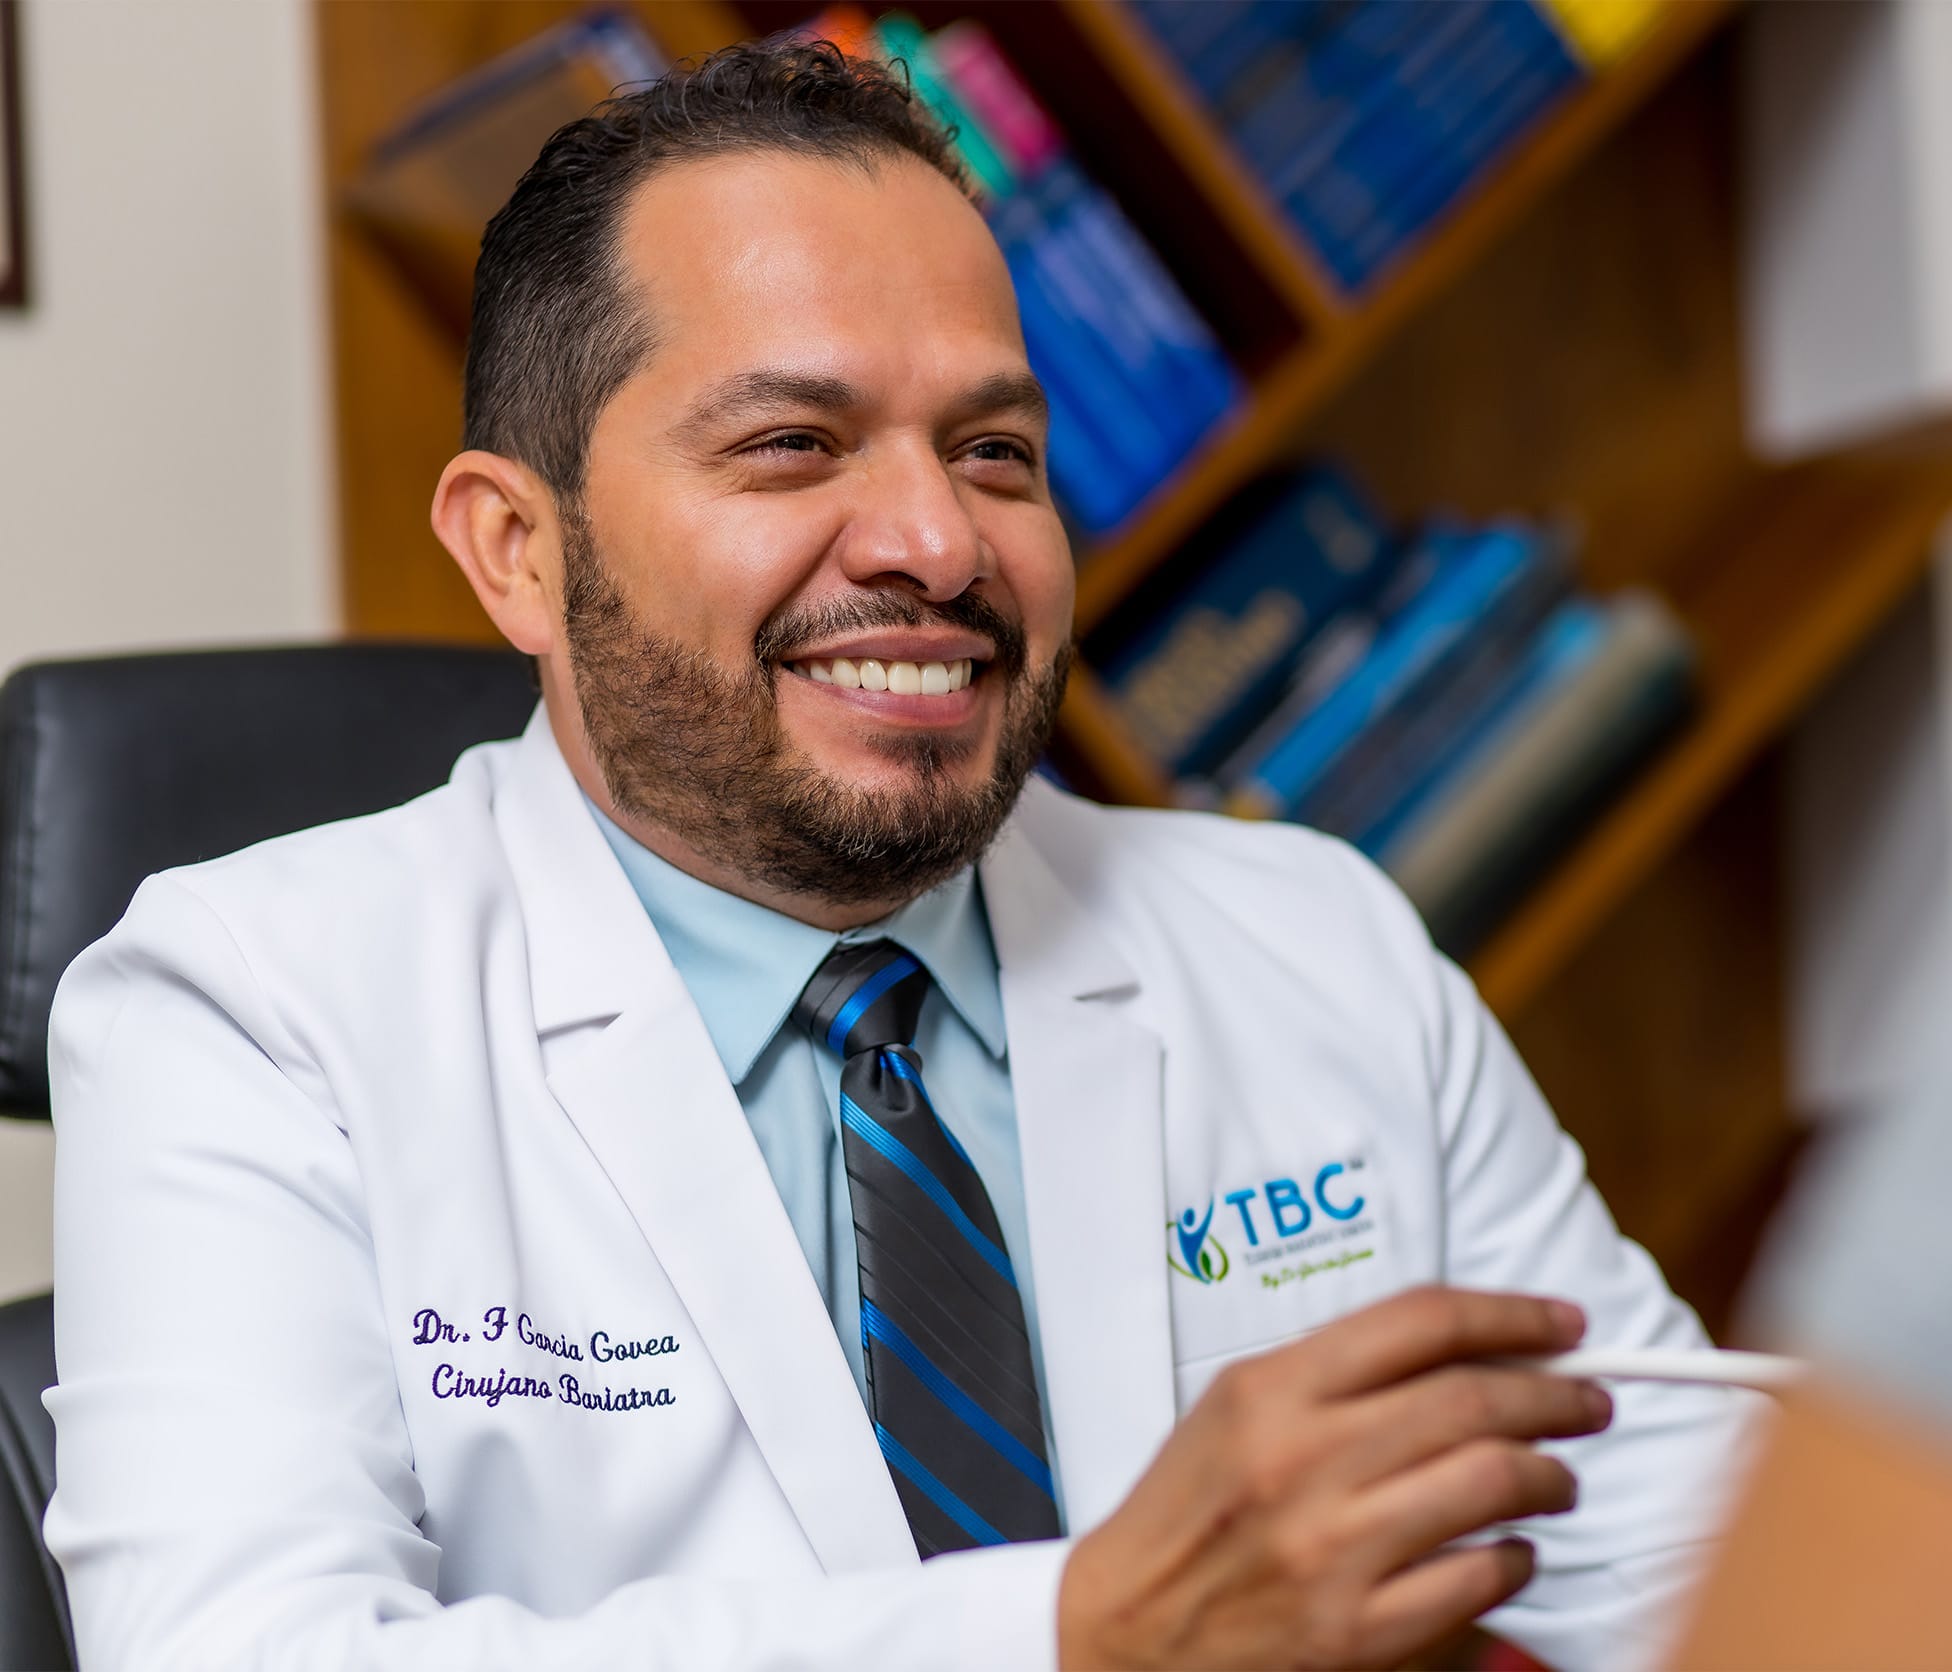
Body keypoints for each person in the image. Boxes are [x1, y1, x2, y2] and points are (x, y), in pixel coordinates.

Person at [44, 38, 1757, 1672]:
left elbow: (1712, 1546)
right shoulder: (251, 1011)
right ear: (515, 549)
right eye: (793, 443)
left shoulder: (1311, 938)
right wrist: (1074, 1642)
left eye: (996, 452)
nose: (940, 542)